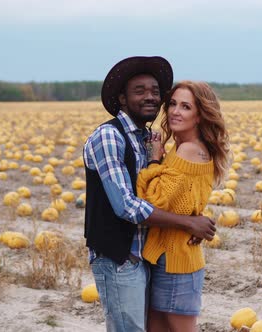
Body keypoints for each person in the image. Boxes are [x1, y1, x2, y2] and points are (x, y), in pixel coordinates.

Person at [83, 56, 217, 332]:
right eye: (140, 91)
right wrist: (189, 222)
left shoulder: (145, 138)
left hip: (145, 257)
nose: (151, 98)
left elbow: (172, 191)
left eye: (156, 92)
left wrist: (191, 215)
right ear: (122, 98)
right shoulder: (110, 136)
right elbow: (128, 208)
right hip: (119, 258)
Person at [137, 81, 230, 332]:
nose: (176, 111)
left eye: (186, 106)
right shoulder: (184, 147)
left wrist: (154, 159)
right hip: (169, 256)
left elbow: (151, 203)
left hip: (177, 261)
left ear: (200, 115)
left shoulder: (188, 150)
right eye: (173, 104)